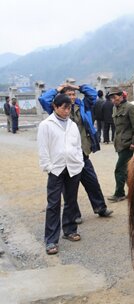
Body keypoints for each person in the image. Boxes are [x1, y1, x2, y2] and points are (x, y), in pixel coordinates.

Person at [39, 83, 113, 222]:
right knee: (69, 189)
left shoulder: (83, 106)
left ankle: (100, 207)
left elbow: (93, 94)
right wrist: (58, 88)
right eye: (69, 94)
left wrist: (78, 87)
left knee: (92, 181)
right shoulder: (56, 109)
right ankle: (74, 215)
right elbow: (43, 99)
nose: (72, 97)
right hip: (66, 156)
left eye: (73, 94)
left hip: (82, 152)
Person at [37, 94, 84, 255]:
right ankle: (51, 240)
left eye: (69, 107)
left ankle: (70, 230)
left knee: (71, 201)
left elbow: (77, 146)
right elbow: (43, 149)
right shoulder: (46, 125)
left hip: (73, 167)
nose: (67, 110)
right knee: (53, 204)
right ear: (55, 107)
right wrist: (48, 167)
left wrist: (79, 161)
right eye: (64, 107)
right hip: (56, 169)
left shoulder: (72, 125)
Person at [107, 87, 134, 202]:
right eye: (111, 98)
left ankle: (119, 193)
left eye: (115, 97)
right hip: (119, 143)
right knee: (127, 171)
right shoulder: (115, 108)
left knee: (119, 169)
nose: (113, 100)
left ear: (121, 96)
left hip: (127, 144)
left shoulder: (130, 108)